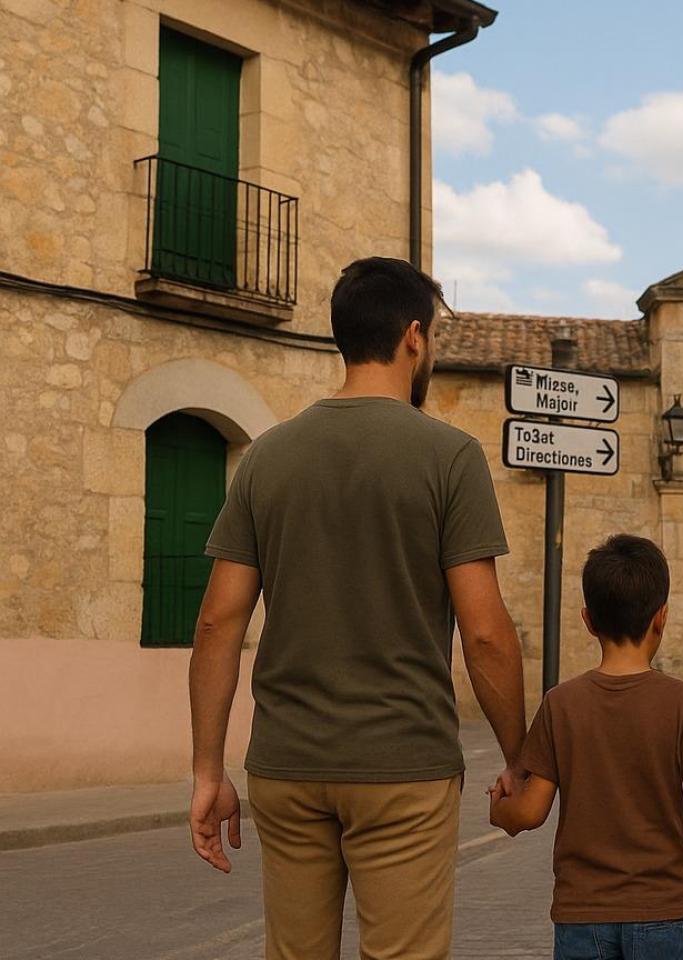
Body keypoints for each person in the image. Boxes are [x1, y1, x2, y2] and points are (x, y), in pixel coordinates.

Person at [185, 256, 528, 959]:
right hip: (404, 767)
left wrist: (208, 772)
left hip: (286, 765)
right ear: (413, 337)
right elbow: (486, 634)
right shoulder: (449, 457)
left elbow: (218, 623)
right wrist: (519, 759)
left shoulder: (266, 458)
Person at [489, 533, 683, 960]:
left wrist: (498, 808)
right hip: (661, 909)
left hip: (581, 914)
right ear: (662, 617)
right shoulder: (682, 702)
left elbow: (530, 812)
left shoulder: (561, 703)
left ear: (588, 620)